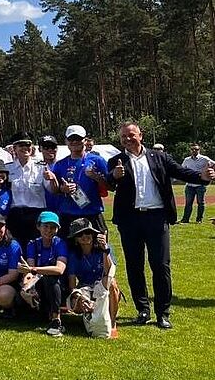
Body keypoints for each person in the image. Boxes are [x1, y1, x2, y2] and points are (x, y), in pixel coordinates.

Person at [106, 122, 214, 329]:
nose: (127, 139)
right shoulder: (115, 161)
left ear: (141, 135)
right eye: (123, 137)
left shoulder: (160, 157)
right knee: (134, 266)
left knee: (161, 266)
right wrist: (114, 176)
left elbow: (181, 172)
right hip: (130, 220)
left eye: (131, 135)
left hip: (157, 218)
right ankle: (143, 310)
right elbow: (109, 184)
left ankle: (162, 313)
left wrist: (201, 178)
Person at [51, 125, 109, 237]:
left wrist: (96, 177)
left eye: (78, 139)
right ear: (66, 141)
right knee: (68, 252)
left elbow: (110, 185)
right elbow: (55, 189)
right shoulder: (59, 165)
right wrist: (63, 189)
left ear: (85, 140)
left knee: (100, 250)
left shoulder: (97, 160)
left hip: (92, 213)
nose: (74, 142)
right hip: (68, 215)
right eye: (71, 139)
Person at [66, 218, 120, 337]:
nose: (85, 236)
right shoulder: (73, 255)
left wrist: (105, 250)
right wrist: (81, 299)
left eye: (88, 232)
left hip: (102, 286)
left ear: (93, 234)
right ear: (75, 239)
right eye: (80, 234)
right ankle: (91, 316)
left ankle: (112, 323)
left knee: (113, 284)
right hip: (85, 289)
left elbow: (109, 273)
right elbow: (72, 286)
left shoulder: (105, 248)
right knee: (77, 300)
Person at [17, 211, 68, 337]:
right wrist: (27, 277)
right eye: (46, 226)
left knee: (51, 279)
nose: (49, 230)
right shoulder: (32, 244)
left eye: (53, 227)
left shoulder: (60, 243)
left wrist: (34, 270)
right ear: (38, 226)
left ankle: (57, 320)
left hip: (59, 286)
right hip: (39, 285)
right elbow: (29, 270)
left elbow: (59, 269)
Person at [5, 132, 51, 248]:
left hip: (36, 214)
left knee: (35, 248)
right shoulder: (7, 168)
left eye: (28, 145)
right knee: (15, 248)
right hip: (15, 215)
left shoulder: (41, 167)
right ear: (14, 148)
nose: (25, 148)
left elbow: (51, 189)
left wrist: (52, 179)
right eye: (21, 145)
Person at [180, 143, 213, 224]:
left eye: (196, 149)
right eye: (192, 149)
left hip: (200, 185)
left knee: (200, 203)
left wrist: (208, 173)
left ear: (199, 150)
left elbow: (213, 164)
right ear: (190, 150)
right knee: (188, 203)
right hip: (189, 185)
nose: (194, 151)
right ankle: (185, 219)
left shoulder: (204, 159)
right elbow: (182, 169)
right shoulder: (187, 160)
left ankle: (199, 220)